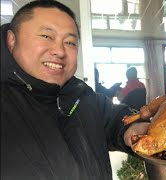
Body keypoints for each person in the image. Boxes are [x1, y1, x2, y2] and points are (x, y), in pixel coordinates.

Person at [0, 1, 148, 180]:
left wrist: (132, 128)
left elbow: (115, 119)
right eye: (46, 36)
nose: (59, 51)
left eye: (70, 42)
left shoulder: (81, 95)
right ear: (11, 40)